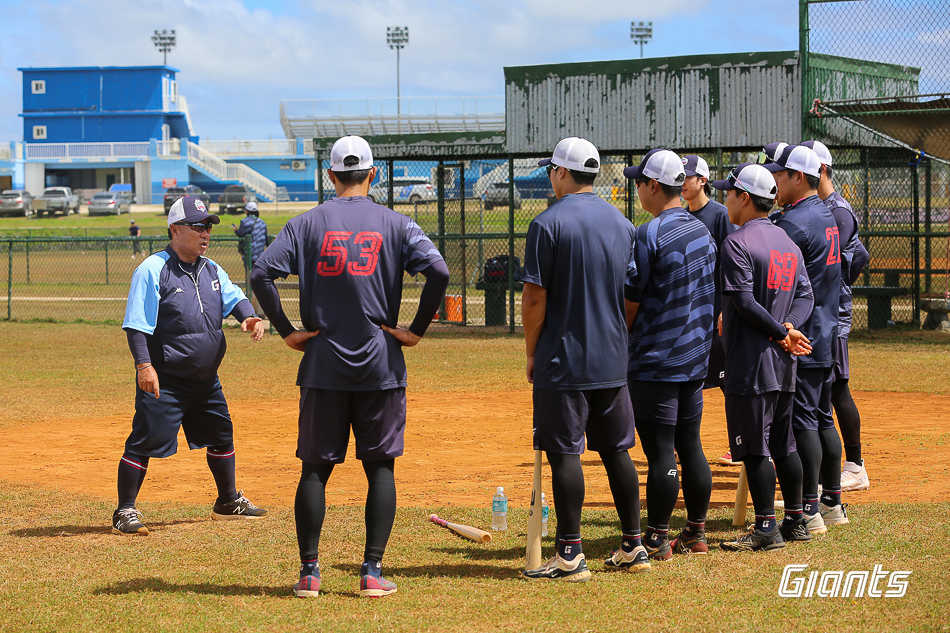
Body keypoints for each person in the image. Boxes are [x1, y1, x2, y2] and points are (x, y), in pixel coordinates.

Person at [250, 135, 449, 599]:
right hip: (381, 362)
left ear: (331, 175)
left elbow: (261, 273)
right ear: (373, 174)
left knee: (315, 470)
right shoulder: (399, 224)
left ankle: (309, 574)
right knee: (380, 468)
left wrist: (286, 329)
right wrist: (415, 328)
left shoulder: (306, 223)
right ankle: (372, 571)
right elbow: (438, 271)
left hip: (323, 364)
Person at [521, 137, 648, 582]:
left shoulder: (547, 224)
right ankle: (634, 543)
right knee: (618, 452)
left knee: (564, 453)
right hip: (613, 357)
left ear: (560, 172)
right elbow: (632, 293)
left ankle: (571, 554)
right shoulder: (623, 223)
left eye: (550, 170)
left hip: (564, 359)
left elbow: (534, 297)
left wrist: (532, 350)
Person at [114, 195, 267, 537]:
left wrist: (249, 317)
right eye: (197, 226)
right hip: (166, 379)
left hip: (205, 378)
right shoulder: (153, 269)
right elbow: (136, 324)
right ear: (174, 230)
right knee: (145, 440)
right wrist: (144, 365)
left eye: (207, 226)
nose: (205, 233)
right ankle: (125, 511)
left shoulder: (210, 268)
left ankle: (227, 501)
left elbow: (235, 296)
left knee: (221, 434)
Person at [711, 163, 815, 551]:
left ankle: (767, 529)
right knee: (784, 444)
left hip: (751, 363)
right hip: (785, 363)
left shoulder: (736, 242)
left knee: (754, 448)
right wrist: (788, 328)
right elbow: (806, 296)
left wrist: (779, 331)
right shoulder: (787, 241)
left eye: (729, 192)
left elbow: (743, 302)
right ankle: (796, 520)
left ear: (743, 198)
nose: (725, 199)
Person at [624, 149, 717, 559]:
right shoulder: (704, 232)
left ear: (654, 186)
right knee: (690, 445)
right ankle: (695, 533)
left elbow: (631, 300)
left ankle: (657, 538)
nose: (637, 190)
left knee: (660, 450)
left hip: (656, 360)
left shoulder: (651, 233)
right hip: (695, 358)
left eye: (639, 182)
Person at [763, 144, 847, 533]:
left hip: (804, 334)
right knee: (819, 417)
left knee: (803, 423)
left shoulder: (795, 223)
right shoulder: (821, 213)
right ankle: (832, 502)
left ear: (798, 177)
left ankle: (810, 511)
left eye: (779, 175)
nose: (774, 181)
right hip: (825, 328)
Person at [802, 140, 871, 492]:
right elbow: (857, 254)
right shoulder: (823, 207)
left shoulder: (837, 210)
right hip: (822, 311)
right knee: (832, 387)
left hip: (831, 314)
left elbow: (857, 257)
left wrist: (838, 288)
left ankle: (855, 465)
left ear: (822, 170)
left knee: (836, 387)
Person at [680, 154, 738, 466]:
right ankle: (685, 444)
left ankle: (740, 442)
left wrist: (724, 308)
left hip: (716, 313)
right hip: (691, 315)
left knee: (729, 381)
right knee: (690, 381)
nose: (684, 182)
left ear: (703, 180)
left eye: (688, 176)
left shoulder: (718, 215)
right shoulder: (682, 216)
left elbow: (731, 264)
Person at [233, 201, 269, 313]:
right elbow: (267, 240)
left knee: (249, 280)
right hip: (261, 257)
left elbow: (242, 234)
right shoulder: (262, 223)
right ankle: (260, 306)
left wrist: (236, 230)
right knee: (259, 280)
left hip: (249, 257)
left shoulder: (244, 221)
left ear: (247, 211)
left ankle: (250, 307)